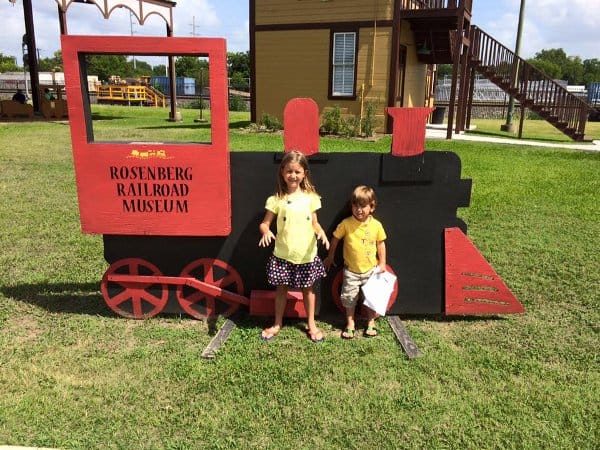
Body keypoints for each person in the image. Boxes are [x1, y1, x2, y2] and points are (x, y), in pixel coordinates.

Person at [258, 150, 330, 342]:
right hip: (283, 254)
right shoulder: (276, 200)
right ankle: (277, 323)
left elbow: (315, 223)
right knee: (281, 290)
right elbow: (265, 223)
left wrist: (320, 231)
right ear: (282, 172)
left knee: (308, 290)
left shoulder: (311, 198)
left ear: (304, 173)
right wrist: (265, 231)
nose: (293, 175)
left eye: (297, 172)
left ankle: (311, 324)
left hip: (306, 254)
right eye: (289, 171)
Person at [324, 185, 387, 339]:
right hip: (351, 271)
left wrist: (383, 263)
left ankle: (371, 322)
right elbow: (335, 239)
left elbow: (381, 244)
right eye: (355, 205)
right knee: (349, 298)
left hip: (371, 270)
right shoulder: (346, 223)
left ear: (372, 207)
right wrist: (330, 256)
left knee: (372, 297)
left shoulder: (376, 225)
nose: (359, 209)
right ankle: (350, 323)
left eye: (363, 206)